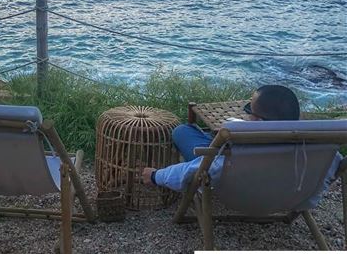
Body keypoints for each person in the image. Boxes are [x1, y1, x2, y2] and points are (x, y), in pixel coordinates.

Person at [141, 85, 341, 202]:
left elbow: (193, 170)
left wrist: (156, 176)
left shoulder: (241, 152)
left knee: (183, 131)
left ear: (260, 122)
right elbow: (332, 171)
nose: (247, 116)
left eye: (249, 112)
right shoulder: (323, 148)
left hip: (242, 194)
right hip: (292, 196)